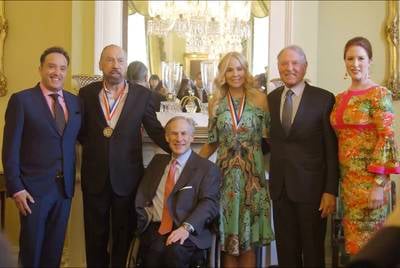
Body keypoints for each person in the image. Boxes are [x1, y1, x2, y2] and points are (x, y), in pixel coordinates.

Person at [78, 44, 170, 267]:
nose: (115, 65)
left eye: (120, 60)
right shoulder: (86, 94)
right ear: (101, 64)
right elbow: (79, 131)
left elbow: (155, 130)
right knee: (95, 238)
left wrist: (178, 148)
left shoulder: (143, 95)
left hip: (127, 179)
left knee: (123, 238)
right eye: (109, 60)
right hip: (94, 177)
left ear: (125, 65)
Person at [2, 47, 81, 267]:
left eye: (62, 68)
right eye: (52, 66)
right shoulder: (22, 101)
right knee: (31, 252)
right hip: (33, 191)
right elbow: (10, 148)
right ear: (40, 69)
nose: (57, 72)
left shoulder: (75, 103)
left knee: (54, 252)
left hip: (64, 190)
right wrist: (16, 187)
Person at [199, 51, 273, 267]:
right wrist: (190, 167)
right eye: (229, 69)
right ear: (223, 74)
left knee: (248, 240)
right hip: (224, 177)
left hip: (252, 178)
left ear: (246, 70)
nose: (235, 74)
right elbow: (212, 141)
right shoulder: (216, 102)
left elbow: (270, 139)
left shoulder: (260, 99)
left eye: (239, 68)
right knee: (228, 237)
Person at [267, 45, 339, 267]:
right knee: (286, 253)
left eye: (295, 63)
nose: (289, 68)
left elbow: (331, 150)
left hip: (313, 192)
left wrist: (330, 191)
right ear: (278, 68)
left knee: (313, 253)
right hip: (280, 190)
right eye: (284, 64)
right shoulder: (270, 99)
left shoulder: (324, 99)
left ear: (305, 67)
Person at [330, 36, 400, 256]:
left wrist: (379, 184)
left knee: (370, 249)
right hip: (348, 184)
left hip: (371, 186)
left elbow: (387, 138)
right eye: (350, 58)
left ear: (370, 61)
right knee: (353, 247)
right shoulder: (340, 98)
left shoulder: (379, 94)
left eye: (361, 58)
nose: (355, 63)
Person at [135, 116, 220, 267]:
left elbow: (209, 203)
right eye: (174, 134)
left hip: (189, 228)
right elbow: (143, 195)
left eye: (183, 133)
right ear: (167, 137)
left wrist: (186, 227)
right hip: (157, 227)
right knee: (153, 252)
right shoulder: (157, 163)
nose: (179, 138)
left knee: (174, 252)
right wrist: (143, 219)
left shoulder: (206, 168)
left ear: (192, 137)